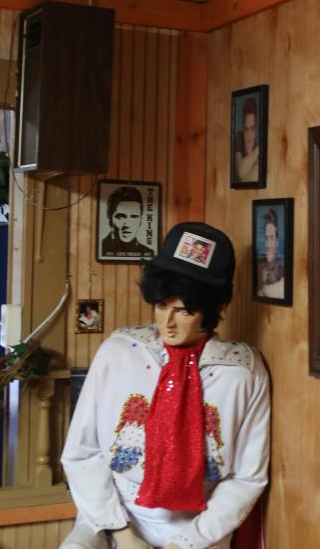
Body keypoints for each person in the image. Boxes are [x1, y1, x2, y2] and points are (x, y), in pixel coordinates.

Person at [60, 222, 271, 549]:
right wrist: (123, 535)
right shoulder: (118, 353)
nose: (167, 323)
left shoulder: (242, 372)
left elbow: (247, 477)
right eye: (161, 305)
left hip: (200, 528)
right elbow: (81, 454)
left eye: (184, 310)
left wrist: (186, 543)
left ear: (213, 309)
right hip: (113, 515)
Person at [101, 186, 153, 258]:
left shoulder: (148, 252)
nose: (128, 224)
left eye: (134, 217)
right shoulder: (102, 247)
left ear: (140, 220)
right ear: (109, 217)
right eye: (121, 217)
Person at [257, 209, 285, 300]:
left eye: (272, 238)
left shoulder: (282, 268)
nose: (268, 244)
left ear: (276, 242)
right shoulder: (261, 268)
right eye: (266, 238)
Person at [234, 97, 259, 183]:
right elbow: (241, 173)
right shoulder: (239, 138)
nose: (249, 136)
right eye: (246, 129)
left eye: (252, 129)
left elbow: (245, 181)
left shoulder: (258, 149)